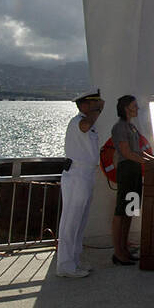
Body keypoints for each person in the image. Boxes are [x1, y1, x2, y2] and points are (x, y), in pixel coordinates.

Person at [56, 89, 105, 278]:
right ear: (85, 105)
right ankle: (65, 265)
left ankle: (74, 260)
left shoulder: (89, 124)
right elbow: (85, 126)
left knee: (80, 221)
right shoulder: (79, 122)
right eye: (94, 103)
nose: (98, 107)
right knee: (71, 221)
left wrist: (96, 111)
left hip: (86, 174)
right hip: (76, 175)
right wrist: (96, 112)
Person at [110, 95, 153, 266]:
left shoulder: (131, 127)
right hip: (127, 170)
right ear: (126, 107)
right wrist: (147, 162)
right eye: (135, 105)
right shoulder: (120, 127)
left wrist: (153, 160)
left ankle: (125, 249)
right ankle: (118, 252)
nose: (137, 108)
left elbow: (139, 151)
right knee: (121, 211)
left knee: (130, 210)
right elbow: (126, 153)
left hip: (135, 171)